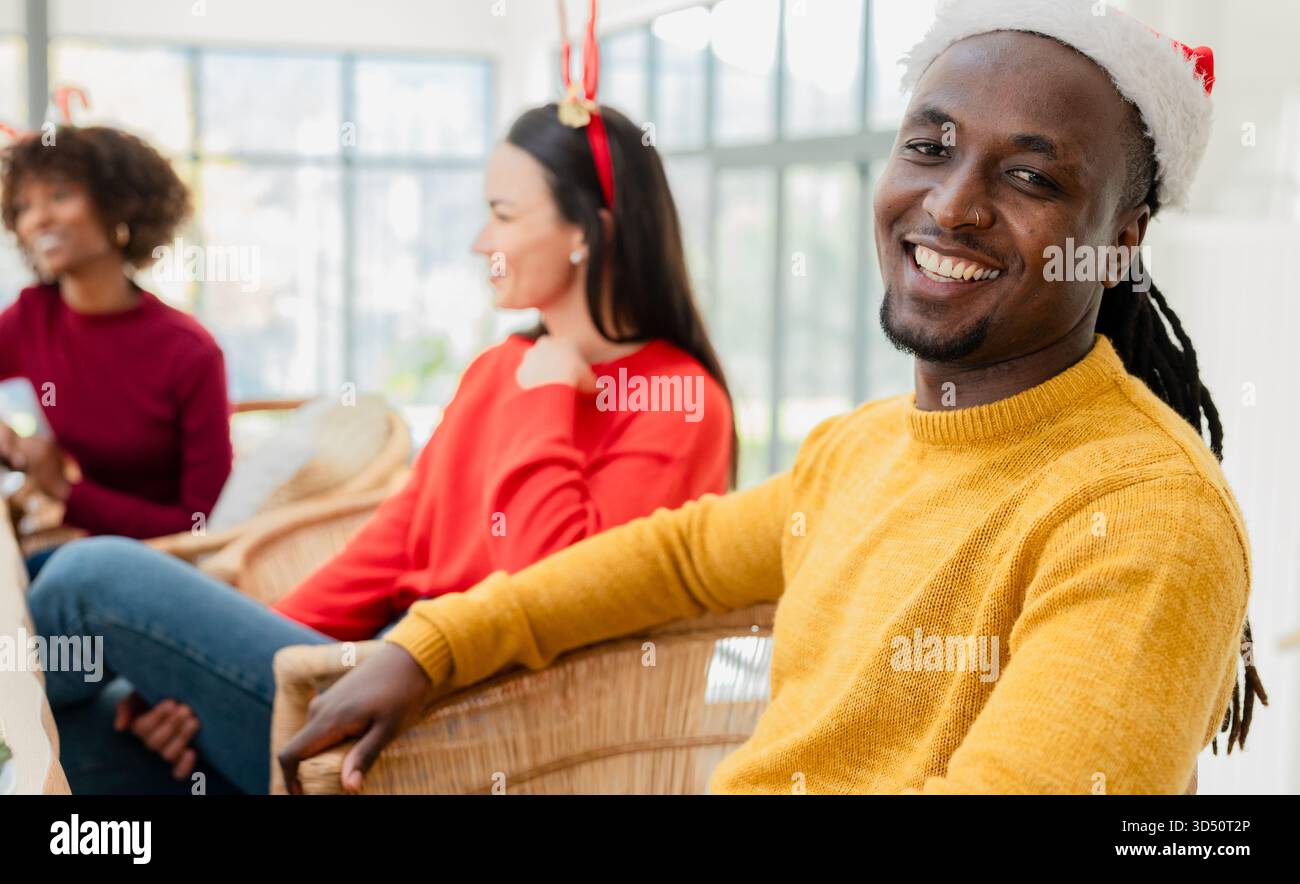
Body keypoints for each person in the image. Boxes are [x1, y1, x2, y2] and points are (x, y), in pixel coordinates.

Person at [281, 0, 1266, 795]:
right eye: (930, 147)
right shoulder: (865, 447)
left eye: (1026, 174)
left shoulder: (1143, 512)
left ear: (1122, 235)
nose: (953, 205)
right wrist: (432, 644)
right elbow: (672, 555)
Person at [28, 99, 736, 794]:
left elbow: (552, 594)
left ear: (589, 231)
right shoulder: (500, 369)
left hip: (472, 721)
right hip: (365, 676)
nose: (480, 242)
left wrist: (547, 396)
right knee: (94, 734)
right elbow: (396, 544)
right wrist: (205, 673)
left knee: (83, 582)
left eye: (503, 214)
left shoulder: (679, 401)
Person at [0, 125, 232, 578]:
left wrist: (67, 493)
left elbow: (201, 528)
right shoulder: (34, 316)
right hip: (86, 549)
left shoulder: (190, 352)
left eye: (60, 196)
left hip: (168, 564)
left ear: (118, 205)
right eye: (24, 207)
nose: (38, 219)